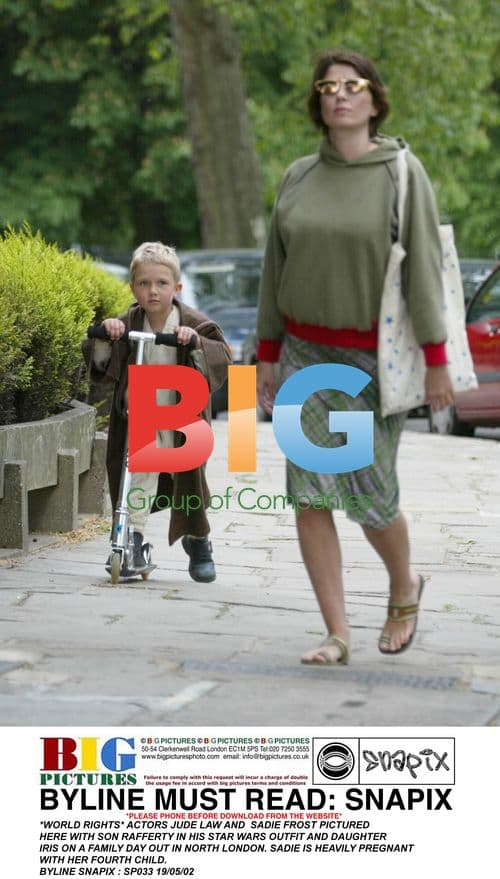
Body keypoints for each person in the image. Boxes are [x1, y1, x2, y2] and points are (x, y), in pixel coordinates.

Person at [256, 49, 454, 664]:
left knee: (370, 493)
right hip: (304, 356)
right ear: (317, 101)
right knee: (310, 492)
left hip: (374, 358)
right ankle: (337, 632)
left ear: (374, 98)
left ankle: (403, 583)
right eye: (328, 87)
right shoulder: (298, 176)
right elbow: (274, 269)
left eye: (353, 85)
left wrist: (439, 356)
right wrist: (266, 355)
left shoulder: (401, 172)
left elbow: (423, 265)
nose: (339, 95)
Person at [83, 241, 231, 582]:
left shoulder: (193, 322)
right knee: (137, 476)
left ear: (176, 288)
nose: (153, 291)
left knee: (189, 479)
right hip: (141, 416)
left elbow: (219, 354)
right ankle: (130, 539)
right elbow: (100, 360)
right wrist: (107, 335)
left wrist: (192, 342)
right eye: (144, 284)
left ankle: (198, 539)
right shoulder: (129, 322)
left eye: (162, 284)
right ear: (133, 287)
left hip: (181, 415)